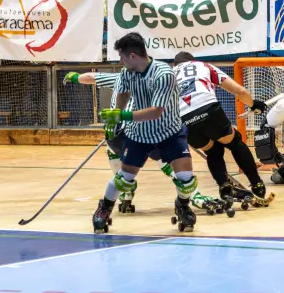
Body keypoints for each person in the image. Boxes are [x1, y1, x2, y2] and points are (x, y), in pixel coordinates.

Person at [63, 69, 227, 214]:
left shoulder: (120, 77)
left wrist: (76, 77)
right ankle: (195, 196)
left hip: (122, 133)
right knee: (167, 159)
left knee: (114, 152)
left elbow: (91, 77)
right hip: (151, 130)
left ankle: (126, 192)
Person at [94, 32, 200, 233]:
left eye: (122, 57)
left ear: (132, 55)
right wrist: (117, 113)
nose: (121, 61)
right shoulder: (127, 73)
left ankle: (183, 206)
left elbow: (156, 111)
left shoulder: (163, 74)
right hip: (139, 135)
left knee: (186, 178)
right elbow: (124, 92)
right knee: (123, 178)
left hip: (170, 132)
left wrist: (123, 117)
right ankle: (104, 208)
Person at [172, 51, 270, 204]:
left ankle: (224, 187)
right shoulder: (202, 65)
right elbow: (240, 91)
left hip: (182, 119)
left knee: (213, 149)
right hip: (207, 108)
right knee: (235, 142)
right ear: (192, 60)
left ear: (175, 65)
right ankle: (257, 184)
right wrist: (253, 104)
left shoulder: (168, 75)